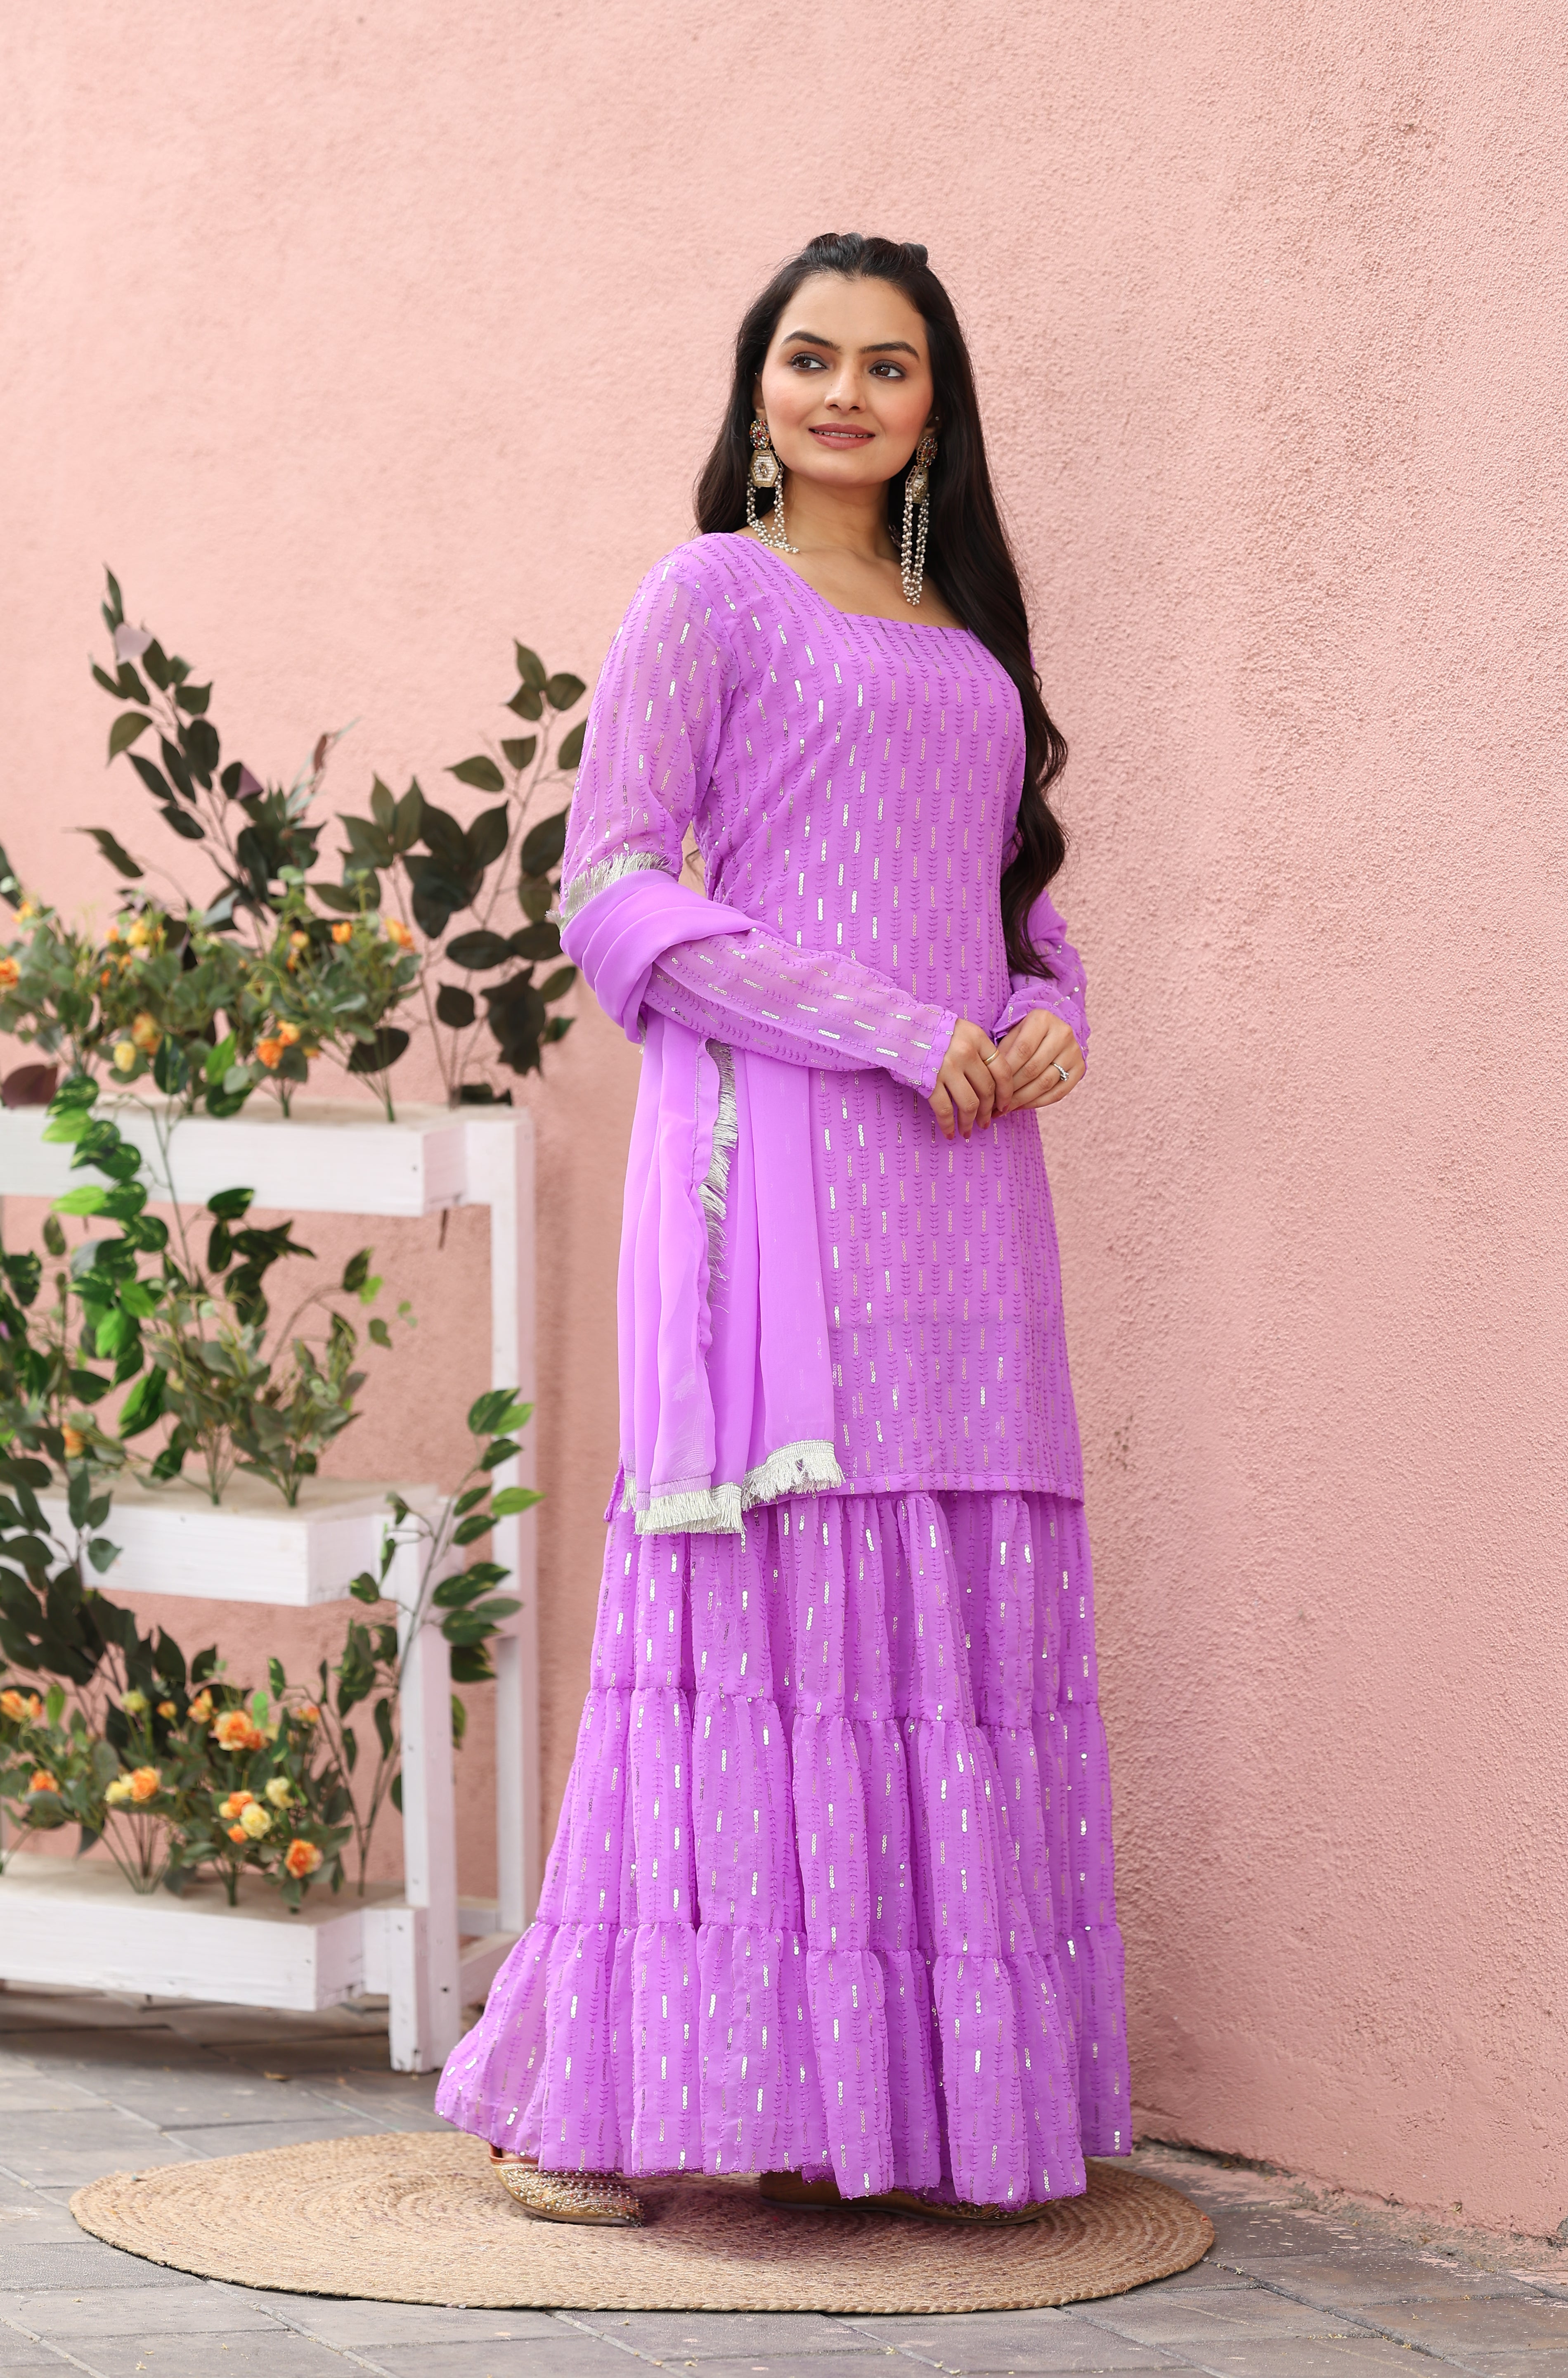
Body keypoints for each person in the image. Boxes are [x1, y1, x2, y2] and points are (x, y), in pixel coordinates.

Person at [435, 232, 1130, 2228]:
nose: (845, 393)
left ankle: (886, 2118)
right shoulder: (709, 594)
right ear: (758, 389)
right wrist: (896, 1031)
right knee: (762, 1606)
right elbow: (612, 890)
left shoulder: (967, 628)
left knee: (943, 1600)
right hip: (786, 1167)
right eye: (811, 357)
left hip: (967, 1181)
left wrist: (1050, 1013)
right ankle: (582, 2103)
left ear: (935, 407)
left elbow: (1015, 900)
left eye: (887, 366)